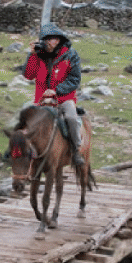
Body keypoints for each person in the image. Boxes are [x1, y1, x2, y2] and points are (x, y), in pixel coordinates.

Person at [21, 22, 85, 168]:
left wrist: (56, 90)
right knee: (23, 118)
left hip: (64, 98)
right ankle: (22, 152)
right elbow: (28, 75)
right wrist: (31, 55)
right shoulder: (38, 54)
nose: (52, 42)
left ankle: (76, 151)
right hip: (41, 100)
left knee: (71, 118)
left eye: (55, 39)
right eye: (48, 39)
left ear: (60, 40)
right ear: (43, 41)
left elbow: (74, 79)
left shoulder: (71, 55)